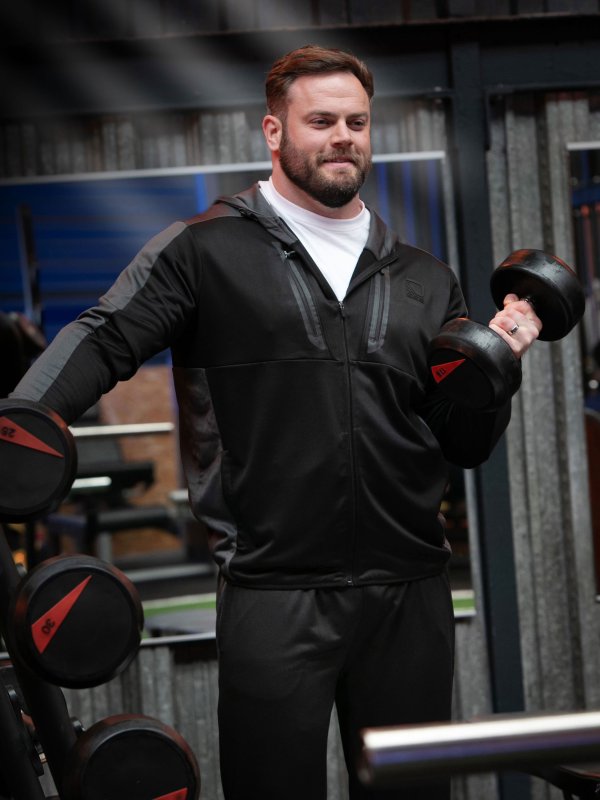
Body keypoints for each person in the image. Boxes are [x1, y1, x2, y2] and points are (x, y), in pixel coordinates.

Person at [10, 45, 542, 799]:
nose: (343, 137)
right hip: (273, 593)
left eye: (356, 122)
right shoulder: (204, 252)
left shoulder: (426, 279)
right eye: (321, 121)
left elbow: (463, 440)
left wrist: (499, 367)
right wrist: (19, 427)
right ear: (274, 131)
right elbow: (104, 338)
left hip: (409, 592)